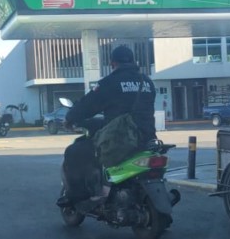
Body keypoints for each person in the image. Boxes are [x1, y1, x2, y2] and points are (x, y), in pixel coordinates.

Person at [57, 45, 157, 207]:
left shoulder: (110, 83)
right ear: (133, 61)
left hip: (120, 139)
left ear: (112, 63)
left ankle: (76, 196)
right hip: (147, 137)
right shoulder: (147, 82)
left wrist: (70, 118)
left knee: (74, 151)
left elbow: (87, 105)